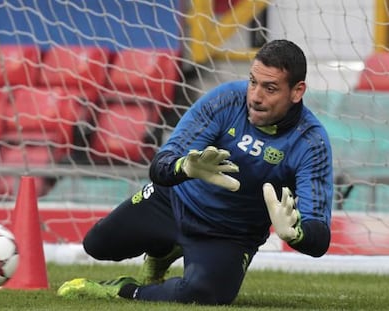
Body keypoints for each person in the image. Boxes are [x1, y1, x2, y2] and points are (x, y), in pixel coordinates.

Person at [57, 39, 333, 305]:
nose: (256, 97)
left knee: (202, 293)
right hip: (174, 201)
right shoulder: (226, 100)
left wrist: (296, 234)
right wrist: (185, 167)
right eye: (253, 82)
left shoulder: (311, 143)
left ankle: (122, 290)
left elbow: (319, 237)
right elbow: (161, 165)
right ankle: (163, 249)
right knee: (97, 244)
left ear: (297, 92)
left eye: (270, 88)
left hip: (229, 234)